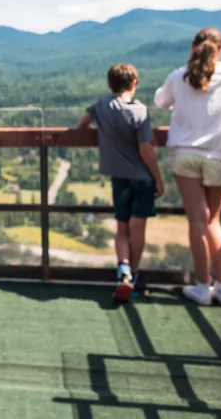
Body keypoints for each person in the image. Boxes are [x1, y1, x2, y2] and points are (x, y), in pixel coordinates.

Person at [154, 27, 221, 307]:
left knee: (198, 220)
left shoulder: (179, 75)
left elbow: (160, 101)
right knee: (213, 220)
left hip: (185, 153)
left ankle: (203, 286)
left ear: (192, 47)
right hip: (220, 154)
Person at [77, 63, 164, 302]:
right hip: (142, 179)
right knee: (138, 231)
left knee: (122, 228)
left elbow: (81, 124)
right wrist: (158, 178)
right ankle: (133, 278)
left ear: (109, 84)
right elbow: (145, 149)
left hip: (119, 178)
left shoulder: (100, 106)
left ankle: (122, 271)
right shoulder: (140, 111)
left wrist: (100, 131)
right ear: (134, 83)